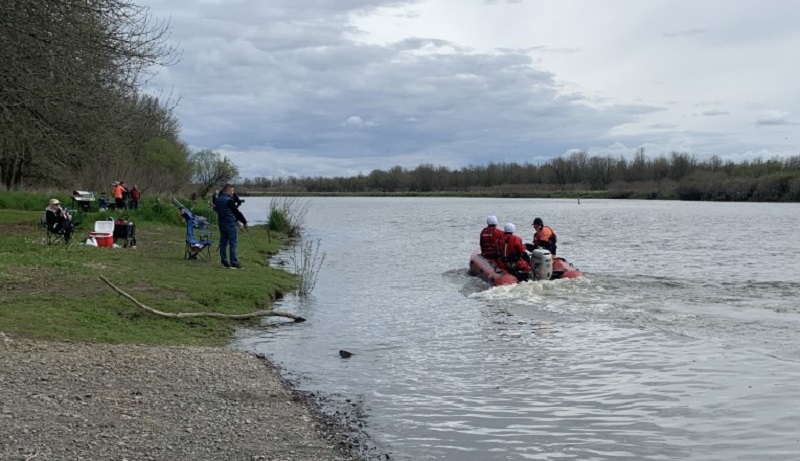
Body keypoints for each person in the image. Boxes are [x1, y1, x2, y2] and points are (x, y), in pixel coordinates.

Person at [214, 183, 248, 269]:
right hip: (230, 224)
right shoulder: (229, 201)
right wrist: (244, 222)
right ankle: (234, 262)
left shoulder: (218, 200)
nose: (233, 193)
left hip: (221, 224)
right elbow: (237, 213)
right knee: (233, 243)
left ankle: (224, 261)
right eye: (232, 191)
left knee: (223, 243)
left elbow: (217, 210)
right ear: (228, 190)